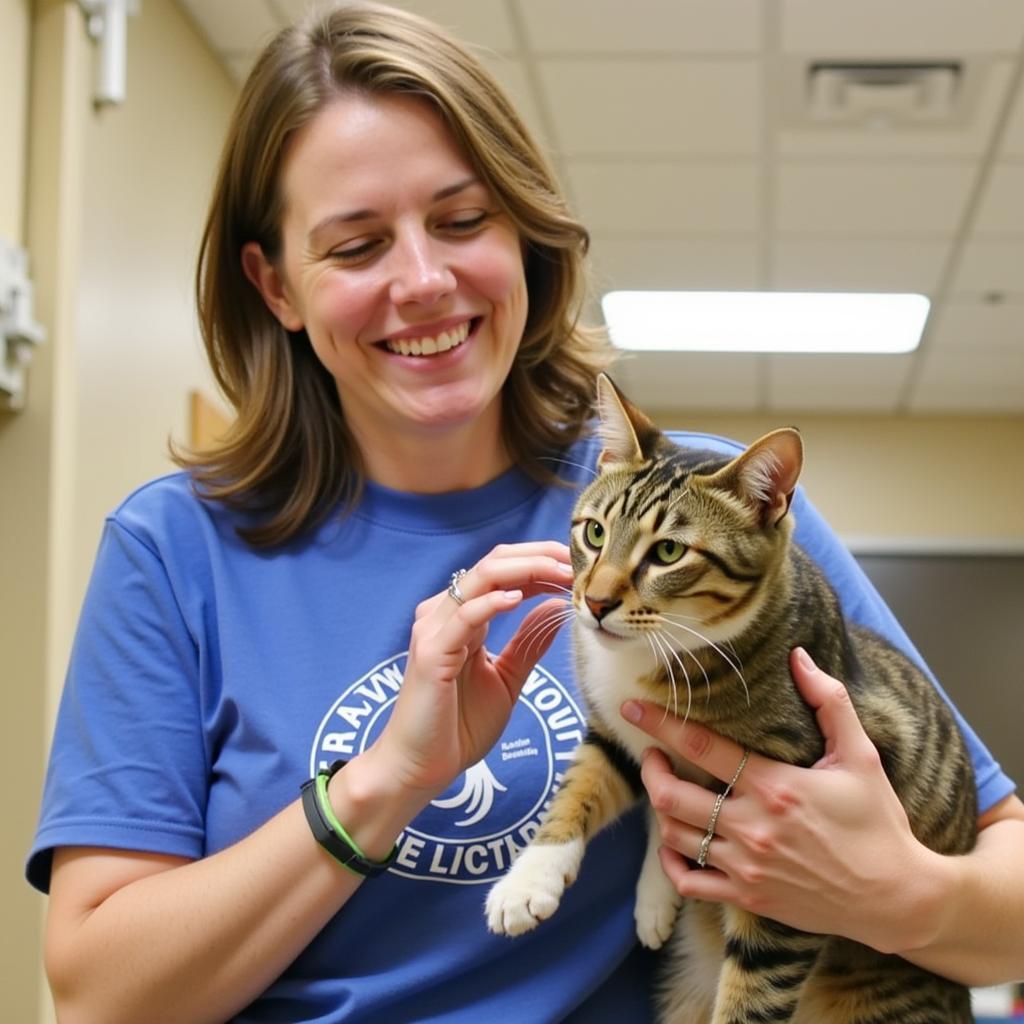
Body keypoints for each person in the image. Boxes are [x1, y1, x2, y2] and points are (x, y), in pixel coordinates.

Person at [27, 3, 1024, 1022]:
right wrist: (389, 780)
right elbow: (102, 997)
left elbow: (1009, 898)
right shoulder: (174, 549)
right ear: (275, 284)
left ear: (524, 235)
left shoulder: (719, 508)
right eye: (358, 244)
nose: (424, 280)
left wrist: (894, 888)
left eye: (463, 221)